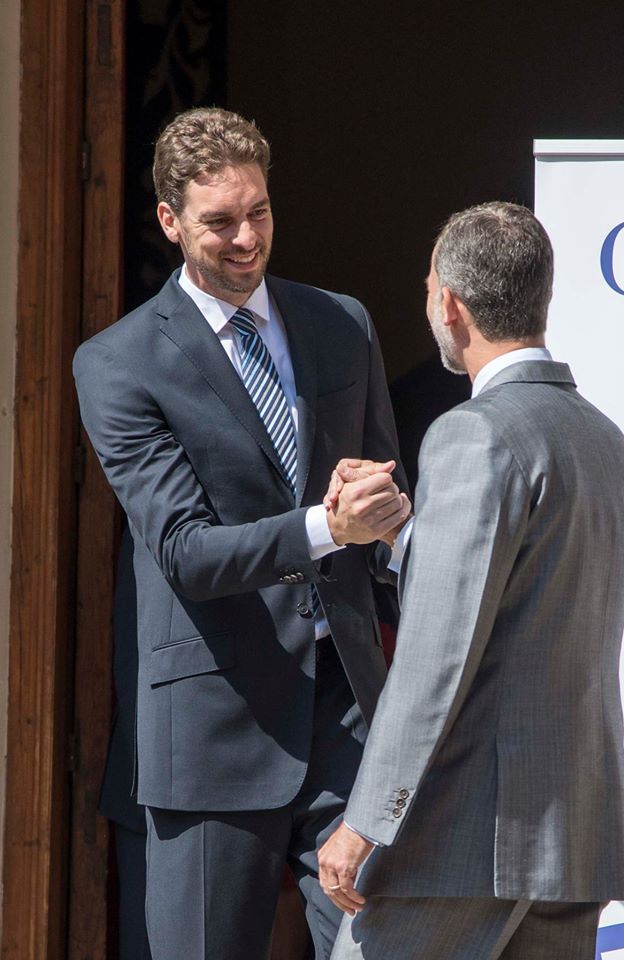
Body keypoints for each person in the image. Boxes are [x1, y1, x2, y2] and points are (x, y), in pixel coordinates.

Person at [73, 106, 410, 960]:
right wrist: (326, 526)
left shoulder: (342, 322)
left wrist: (386, 516)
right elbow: (183, 549)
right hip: (215, 730)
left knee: (389, 949)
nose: (245, 238)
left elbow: (381, 496)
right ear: (170, 221)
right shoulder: (116, 363)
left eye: (258, 212)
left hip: (348, 720)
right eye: (218, 222)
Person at [318, 201, 624, 960]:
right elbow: (526, 601)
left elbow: (436, 655)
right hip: (571, 838)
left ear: (450, 304)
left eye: (428, 285)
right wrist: (405, 534)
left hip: (461, 842)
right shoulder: (603, 437)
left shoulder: (472, 432)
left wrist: (366, 820)